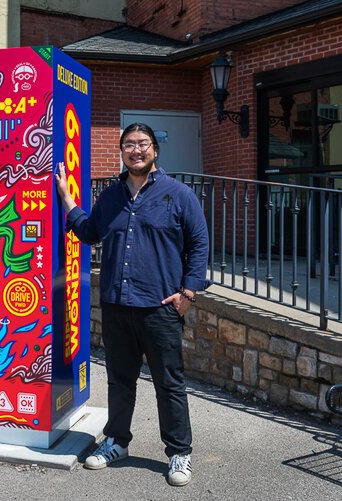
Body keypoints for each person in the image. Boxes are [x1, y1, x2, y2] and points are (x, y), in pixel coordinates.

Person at [55, 123, 209, 487]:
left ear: (155, 150)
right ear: (122, 152)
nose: (135, 151)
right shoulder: (111, 196)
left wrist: (189, 292)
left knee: (168, 383)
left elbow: (199, 244)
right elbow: (91, 232)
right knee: (120, 380)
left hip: (160, 307)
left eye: (142, 144)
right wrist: (67, 200)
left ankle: (178, 453)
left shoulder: (178, 195)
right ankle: (116, 442)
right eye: (128, 145)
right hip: (118, 305)